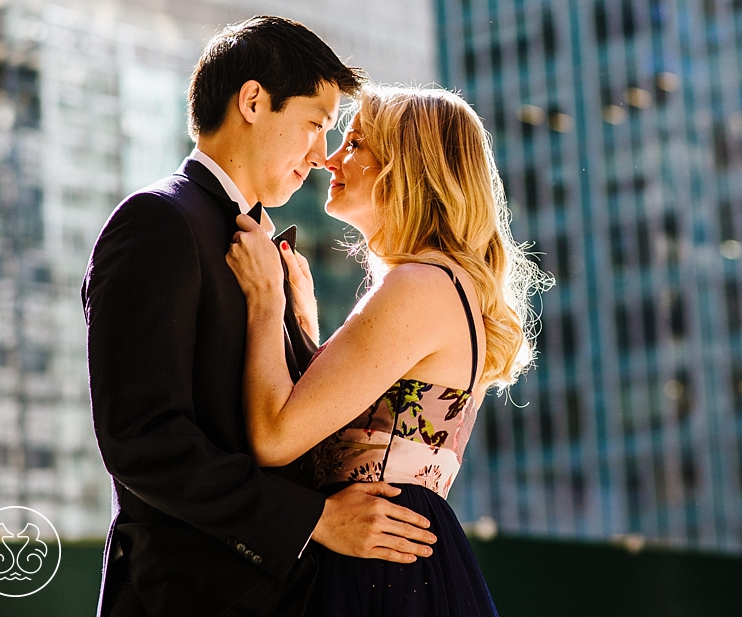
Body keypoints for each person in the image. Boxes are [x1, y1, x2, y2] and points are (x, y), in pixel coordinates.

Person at [84, 18, 437, 617]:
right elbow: (144, 439)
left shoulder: (261, 245)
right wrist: (315, 521)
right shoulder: (158, 222)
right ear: (253, 101)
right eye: (315, 125)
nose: (323, 154)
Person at [226, 84, 549, 617]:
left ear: (407, 169)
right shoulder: (435, 282)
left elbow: (276, 436)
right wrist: (304, 322)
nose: (330, 158)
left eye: (354, 144)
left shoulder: (421, 284)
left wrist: (264, 301)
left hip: (380, 566)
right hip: (387, 556)